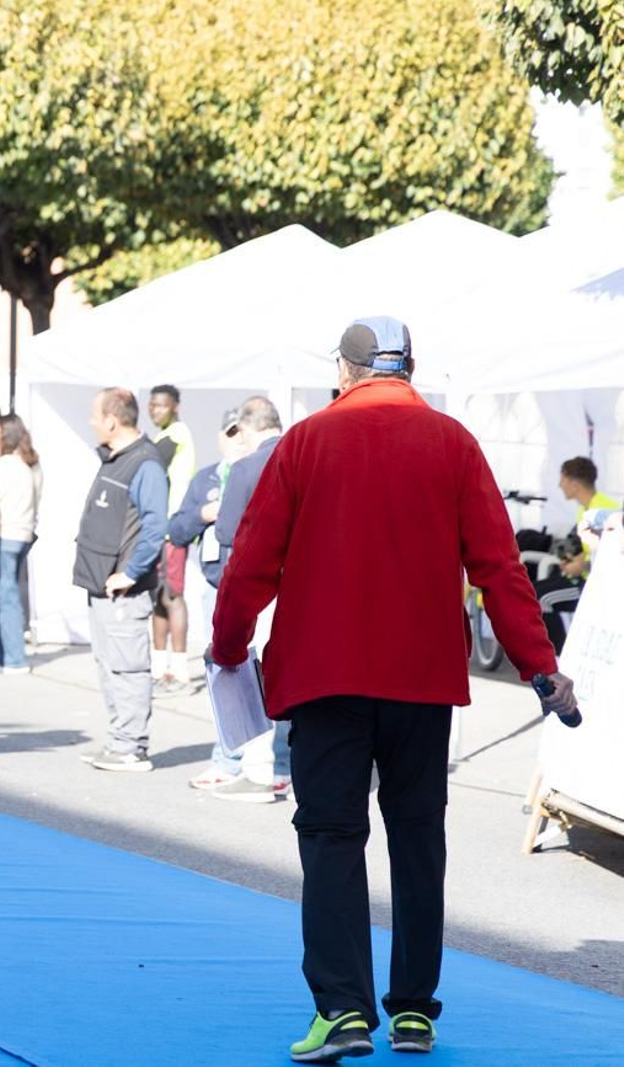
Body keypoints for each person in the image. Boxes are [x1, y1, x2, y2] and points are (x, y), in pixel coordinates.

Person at [210, 316, 578, 1063]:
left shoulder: (306, 442)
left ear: (344, 371)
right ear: (409, 368)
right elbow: (499, 568)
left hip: (325, 676)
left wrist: (228, 646)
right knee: (416, 840)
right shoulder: (453, 443)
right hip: (421, 679)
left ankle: (343, 1010)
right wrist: (540, 668)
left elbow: (252, 559)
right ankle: (413, 1011)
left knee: (331, 837)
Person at [73, 387, 168, 772]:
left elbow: (155, 527)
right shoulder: (116, 459)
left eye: (96, 416)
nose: (92, 422)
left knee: (127, 667)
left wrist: (130, 572)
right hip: (101, 585)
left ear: (112, 421)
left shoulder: (145, 464)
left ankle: (131, 746)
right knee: (108, 664)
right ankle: (119, 741)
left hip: (124, 591)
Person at [208, 396, 293, 803]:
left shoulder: (246, 468)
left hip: (263, 586)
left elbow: (226, 534)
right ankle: (288, 767)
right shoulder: (305, 458)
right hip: (303, 587)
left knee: (255, 676)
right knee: (293, 677)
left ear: (245, 428)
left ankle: (259, 772)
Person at [165, 408, 255, 790]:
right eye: (230, 433)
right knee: (224, 673)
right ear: (220, 437)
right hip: (215, 587)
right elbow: (176, 529)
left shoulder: (261, 471)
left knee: (263, 674)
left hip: (257, 586)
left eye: (242, 432)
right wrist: (205, 513)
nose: (237, 440)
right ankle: (229, 759)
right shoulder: (206, 479)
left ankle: (272, 763)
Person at [532, 456, 619, 653]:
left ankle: (559, 658)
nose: (559, 485)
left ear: (574, 483)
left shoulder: (603, 510)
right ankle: (558, 656)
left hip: (597, 586)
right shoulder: (587, 509)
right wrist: (576, 561)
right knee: (533, 593)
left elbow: (612, 554)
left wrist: (581, 565)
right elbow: (593, 550)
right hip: (586, 579)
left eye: (562, 479)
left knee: (540, 599)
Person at [148, 385, 196, 697]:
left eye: (161, 405)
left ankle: (180, 673)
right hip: (158, 530)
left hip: (171, 530)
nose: (155, 410)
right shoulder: (163, 435)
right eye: (152, 405)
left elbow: (149, 463)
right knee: (158, 597)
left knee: (173, 597)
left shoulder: (176, 434)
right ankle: (158, 670)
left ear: (175, 407)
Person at [0, 413, 42, 674]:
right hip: (24, 532)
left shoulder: (5, 465)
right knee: (7, 592)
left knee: (4, 595)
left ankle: (13, 657)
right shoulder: (32, 464)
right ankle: (2, 655)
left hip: (4, 532)